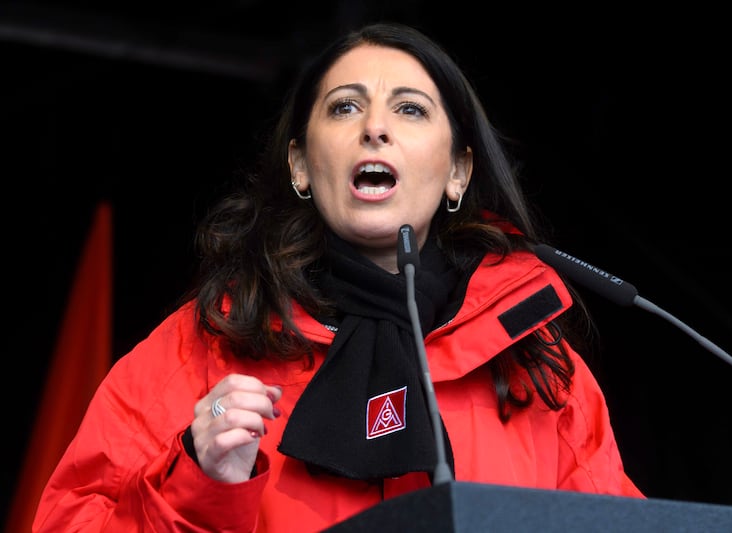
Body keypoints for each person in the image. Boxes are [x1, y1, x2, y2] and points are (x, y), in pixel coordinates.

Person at [33, 21, 644, 532]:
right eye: (345, 106)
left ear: (459, 172)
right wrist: (196, 481)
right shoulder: (201, 349)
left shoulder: (537, 365)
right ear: (300, 164)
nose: (374, 128)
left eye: (410, 109)